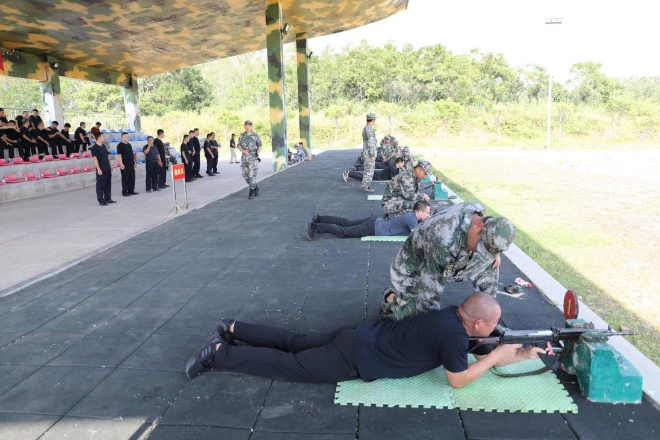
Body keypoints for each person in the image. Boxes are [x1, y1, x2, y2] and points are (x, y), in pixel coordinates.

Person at [184, 292, 553, 388]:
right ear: (476, 322)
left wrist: (519, 354)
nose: (495, 330)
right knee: (289, 366)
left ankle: (232, 327)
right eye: (493, 325)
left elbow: (473, 347)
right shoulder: (456, 338)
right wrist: (496, 355)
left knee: (295, 341)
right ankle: (219, 354)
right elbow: (458, 380)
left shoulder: (449, 315)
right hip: (356, 357)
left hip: (359, 333)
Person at [380, 202, 516, 321]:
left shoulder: (477, 212)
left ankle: (487, 316)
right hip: (414, 267)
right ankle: (390, 300)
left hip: (450, 258)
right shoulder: (442, 238)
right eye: (482, 247)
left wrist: (493, 252)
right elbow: (430, 294)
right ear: (477, 226)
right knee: (415, 320)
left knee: (491, 264)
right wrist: (435, 326)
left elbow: (492, 238)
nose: (481, 252)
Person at [306, 200, 431, 240]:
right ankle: (315, 226)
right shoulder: (412, 221)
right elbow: (417, 237)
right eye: (427, 213)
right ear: (419, 212)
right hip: (373, 228)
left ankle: (320, 219)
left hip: (375, 221)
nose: (428, 215)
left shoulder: (412, 216)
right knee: (343, 231)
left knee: (346, 222)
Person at [238, 120, 262, 199]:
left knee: (251, 175)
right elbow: (239, 145)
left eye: (249, 126)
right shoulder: (242, 136)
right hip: (244, 159)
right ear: (244, 127)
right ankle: (255, 186)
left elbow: (260, 146)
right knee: (245, 175)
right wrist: (243, 151)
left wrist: (257, 153)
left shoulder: (256, 136)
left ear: (252, 127)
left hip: (253, 159)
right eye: (246, 126)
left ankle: (251, 191)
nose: (247, 127)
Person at [91, 132, 115, 206]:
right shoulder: (94, 147)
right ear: (98, 137)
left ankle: (108, 198)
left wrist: (110, 165)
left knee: (108, 185)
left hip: (107, 168)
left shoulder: (103, 146)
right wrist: (98, 169)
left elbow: (107, 156)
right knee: (100, 186)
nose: (103, 138)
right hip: (101, 169)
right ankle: (101, 200)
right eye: (102, 136)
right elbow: (95, 159)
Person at [116, 132, 138, 196]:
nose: (127, 137)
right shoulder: (119, 145)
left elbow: (132, 154)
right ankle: (125, 192)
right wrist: (121, 164)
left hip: (131, 164)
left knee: (132, 178)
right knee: (125, 178)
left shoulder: (129, 145)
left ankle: (131, 190)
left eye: (128, 136)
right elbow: (119, 155)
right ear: (122, 137)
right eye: (126, 136)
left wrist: (134, 162)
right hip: (125, 164)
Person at [361, 113, 378, 193]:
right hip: (369, 154)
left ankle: (365, 186)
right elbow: (370, 143)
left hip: (367, 153)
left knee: (367, 170)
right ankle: (366, 187)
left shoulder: (366, 128)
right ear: (373, 119)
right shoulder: (369, 129)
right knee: (369, 170)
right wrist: (373, 155)